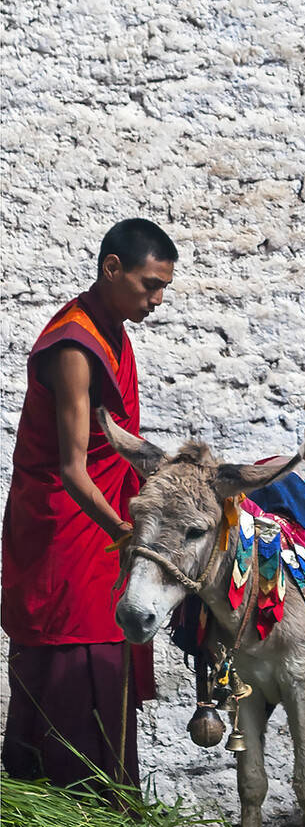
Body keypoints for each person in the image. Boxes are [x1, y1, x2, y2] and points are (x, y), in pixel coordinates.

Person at [2, 218, 177, 788]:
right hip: (70, 525)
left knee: (108, 653)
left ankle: (107, 810)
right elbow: (73, 468)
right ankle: (63, 802)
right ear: (112, 269)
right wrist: (128, 535)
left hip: (101, 518)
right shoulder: (76, 344)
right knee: (72, 659)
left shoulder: (111, 329)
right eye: (149, 285)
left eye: (162, 290)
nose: (155, 300)